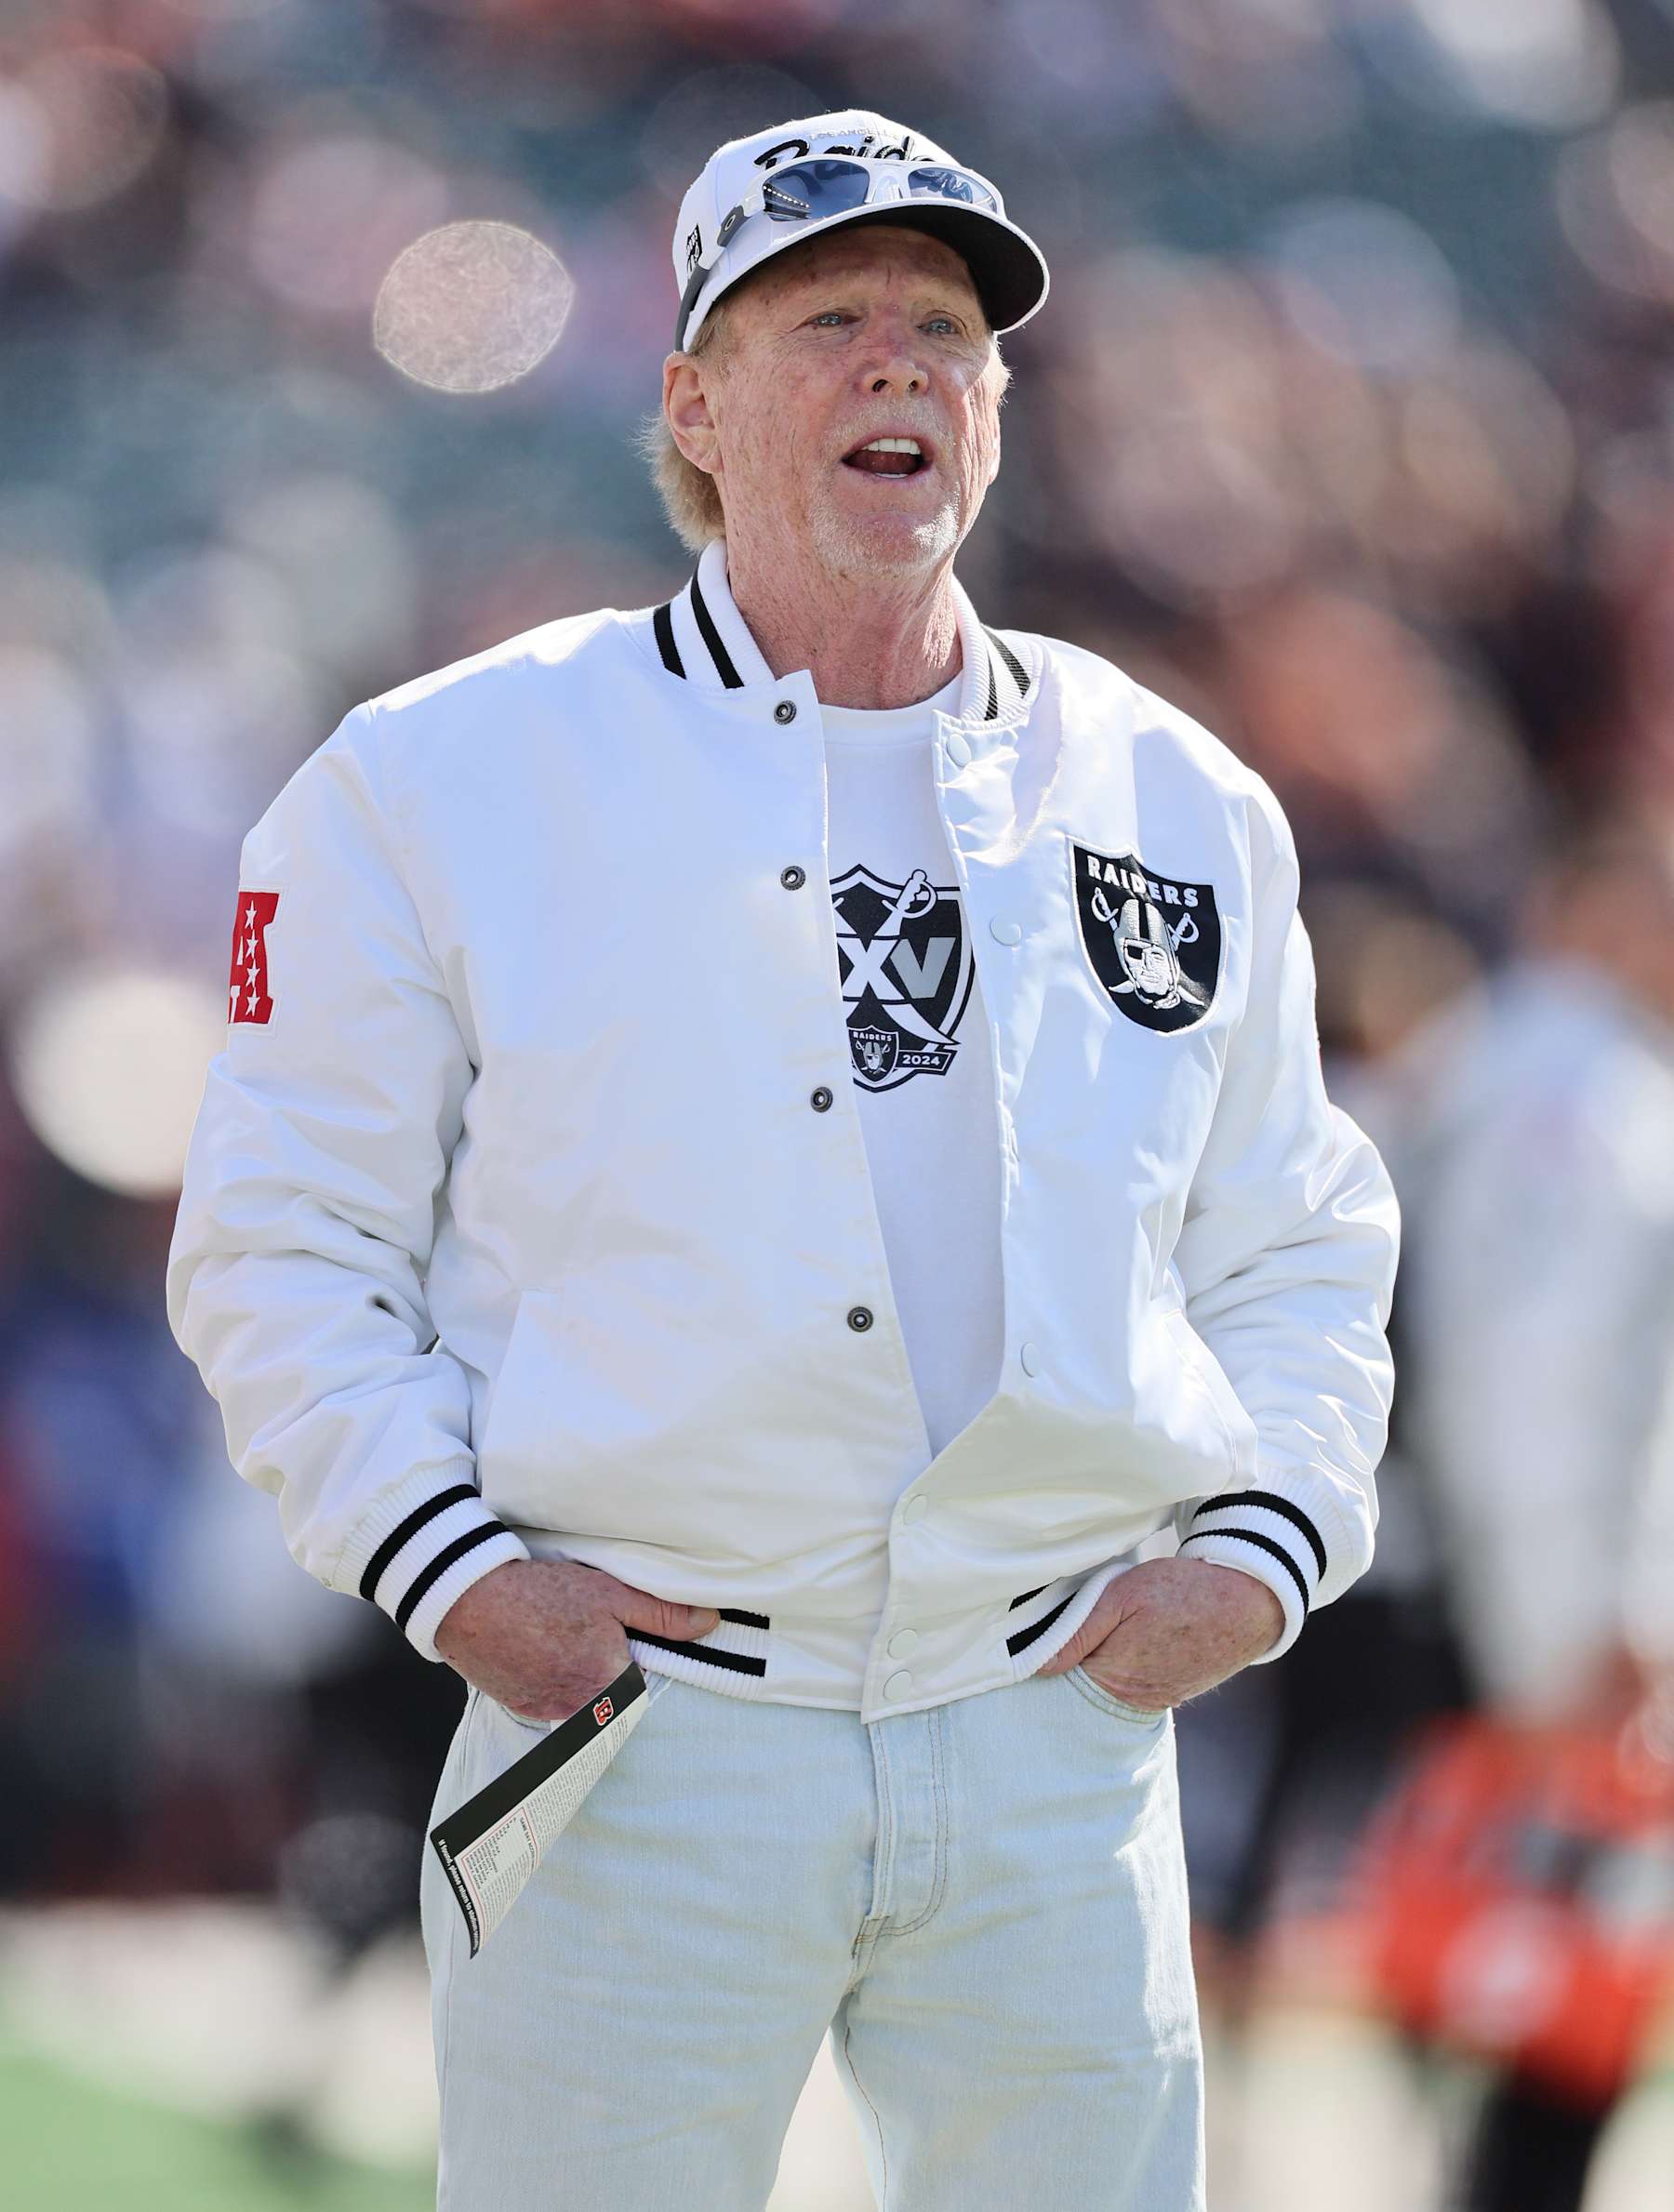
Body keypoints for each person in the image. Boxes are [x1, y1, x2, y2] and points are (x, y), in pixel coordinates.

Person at [166, 110, 1399, 2211]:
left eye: (947, 326)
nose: (901, 361)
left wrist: (1260, 1550)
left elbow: (1297, 1237)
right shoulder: (441, 776)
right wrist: (465, 1577)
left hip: (1053, 1716)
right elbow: (280, 1245)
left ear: (1000, 407)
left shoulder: (1175, 787)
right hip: (641, 1719)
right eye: (828, 316)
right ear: (694, 402)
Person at [1393, 817, 1674, 2212]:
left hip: (1455, 1568)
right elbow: (1545, 1382)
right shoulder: (1590, 1101)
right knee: (1557, 1996)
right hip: (1528, 1596)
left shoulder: (1487, 1061)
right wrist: (1584, 1626)